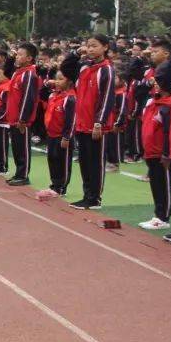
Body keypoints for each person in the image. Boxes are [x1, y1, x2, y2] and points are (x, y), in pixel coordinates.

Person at [71, 34, 116, 210]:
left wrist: (99, 122)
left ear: (105, 47)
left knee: (95, 162)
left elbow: (107, 98)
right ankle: (86, 194)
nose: (90, 49)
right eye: (88, 46)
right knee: (84, 161)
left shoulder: (107, 69)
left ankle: (94, 198)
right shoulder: (85, 67)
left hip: (96, 126)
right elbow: (67, 68)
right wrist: (76, 52)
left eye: (94, 46)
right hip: (82, 123)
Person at [138, 56, 171, 231]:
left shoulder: (168, 106)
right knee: (156, 184)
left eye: (159, 81)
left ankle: (163, 216)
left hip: (162, 153)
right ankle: (158, 215)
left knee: (164, 184)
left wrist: (166, 152)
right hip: (150, 152)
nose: (155, 84)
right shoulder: (152, 102)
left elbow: (168, 132)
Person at [38, 56, 79, 198]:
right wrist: (47, 84)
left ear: (69, 81)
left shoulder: (70, 98)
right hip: (52, 134)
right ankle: (54, 185)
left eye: (60, 79)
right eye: (56, 78)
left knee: (63, 161)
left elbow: (71, 119)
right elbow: (41, 94)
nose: (57, 82)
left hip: (63, 136)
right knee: (52, 159)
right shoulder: (53, 95)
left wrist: (67, 136)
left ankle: (61, 187)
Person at [5, 42, 41, 187]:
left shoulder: (29, 74)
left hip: (22, 120)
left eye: (20, 55)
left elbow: (28, 98)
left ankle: (23, 174)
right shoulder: (18, 72)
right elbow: (7, 71)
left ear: (29, 58)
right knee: (16, 146)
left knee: (23, 147)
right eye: (17, 54)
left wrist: (23, 118)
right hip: (13, 117)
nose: (17, 57)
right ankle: (19, 173)